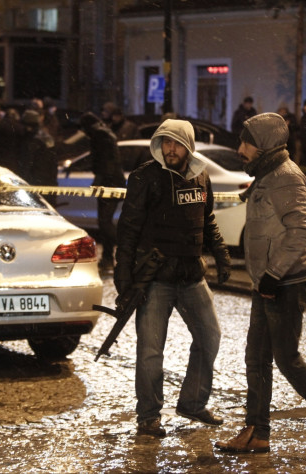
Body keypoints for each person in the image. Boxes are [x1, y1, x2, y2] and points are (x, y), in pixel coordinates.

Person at [215, 113, 306, 454]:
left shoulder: (286, 177)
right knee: (256, 358)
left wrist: (273, 275)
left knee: (286, 359)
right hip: (267, 283)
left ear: (262, 143)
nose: (240, 149)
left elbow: (301, 232)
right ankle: (257, 432)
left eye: (245, 142)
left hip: (284, 283)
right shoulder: (266, 175)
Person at [114, 118, 231, 438]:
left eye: (176, 143)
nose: (170, 149)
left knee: (210, 337)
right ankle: (149, 416)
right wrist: (123, 278)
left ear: (188, 146)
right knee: (150, 351)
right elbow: (127, 231)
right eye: (165, 142)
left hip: (192, 276)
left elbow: (207, 221)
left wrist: (221, 256)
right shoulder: (144, 178)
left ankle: (192, 402)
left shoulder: (201, 176)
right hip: (154, 281)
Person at [79, 112, 125, 270]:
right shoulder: (105, 132)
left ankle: (121, 251)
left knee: (104, 222)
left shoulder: (99, 135)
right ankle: (108, 258)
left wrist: (98, 182)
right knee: (105, 221)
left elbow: (104, 162)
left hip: (108, 183)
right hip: (112, 181)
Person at [22, 109, 58, 206]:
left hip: (36, 181)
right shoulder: (46, 138)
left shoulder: (32, 139)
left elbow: (28, 162)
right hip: (44, 182)